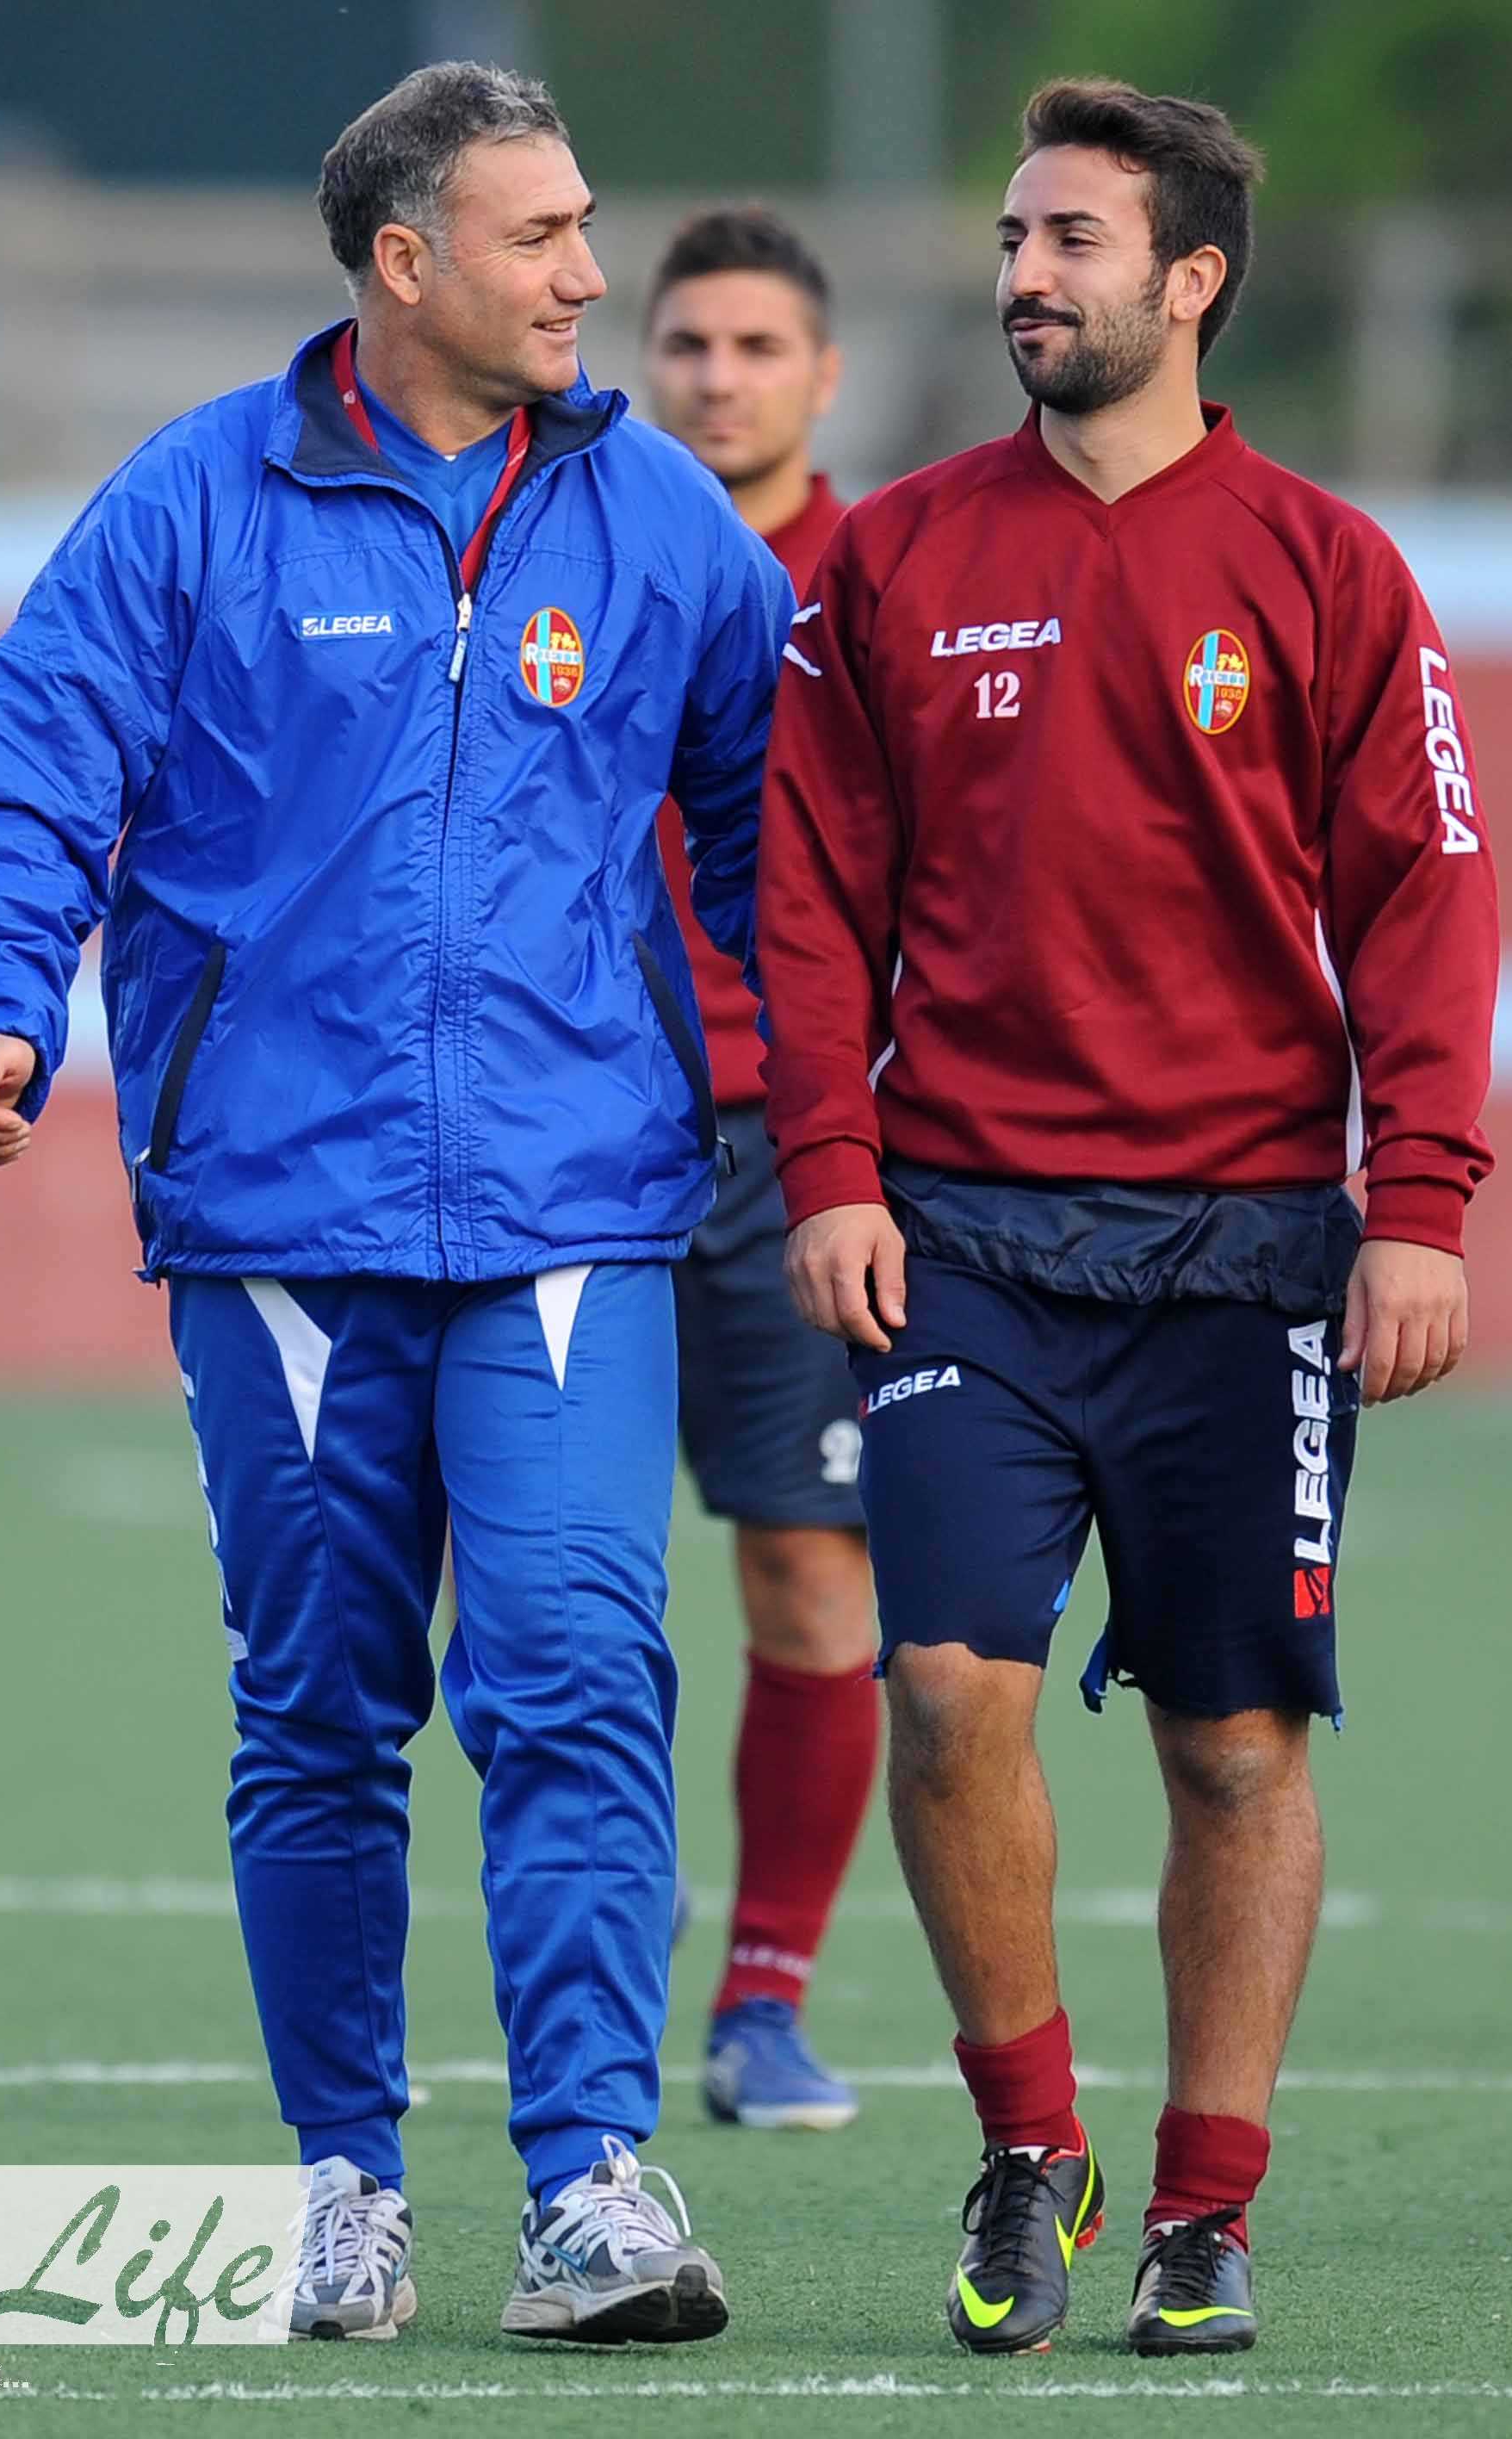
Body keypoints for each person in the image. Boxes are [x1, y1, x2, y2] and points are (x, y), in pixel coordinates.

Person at [0, 62, 790, 2346]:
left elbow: (783, 828)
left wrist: (818, 1076)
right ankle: (345, 2185)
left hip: (578, 1208)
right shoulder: (194, 500)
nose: (591, 272)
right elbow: (20, 769)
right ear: (407, 263)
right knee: (318, 1711)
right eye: (540, 234)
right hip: (279, 1221)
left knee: (580, 1669)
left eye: (586, 224)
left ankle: (591, 2184)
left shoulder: (664, 518)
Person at [753, 79, 1497, 2357]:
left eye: (1071, 238)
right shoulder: (894, 561)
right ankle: (1025, 2150)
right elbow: (810, 897)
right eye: (1012, 236)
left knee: (1232, 1750)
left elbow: (1429, 901)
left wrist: (1418, 1202)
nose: (1023, 275)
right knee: (945, 1692)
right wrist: (830, 1170)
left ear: (1191, 281)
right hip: (968, 1241)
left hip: (1248, 1259)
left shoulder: (1329, 569)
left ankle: (1204, 2206)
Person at [635, 203, 876, 2136]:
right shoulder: (579, 545)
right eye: (690, 345)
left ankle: (764, 2003)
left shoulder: (880, 580)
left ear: (823, 376)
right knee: (541, 1592)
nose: (720, 379)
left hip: (797, 1149)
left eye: (758, 347)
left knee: (807, 1572)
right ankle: (600, 1924)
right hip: (572, 1137)